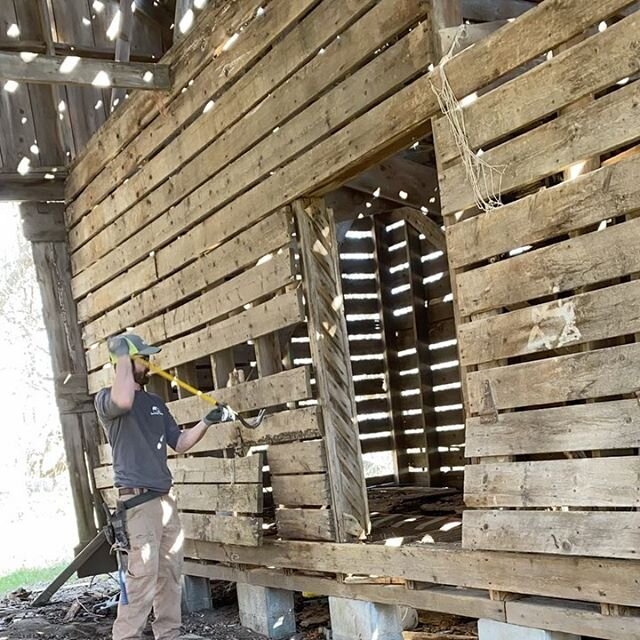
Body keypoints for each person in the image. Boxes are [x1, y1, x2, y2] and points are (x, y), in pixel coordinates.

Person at [95, 333, 229, 640]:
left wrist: (207, 421)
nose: (150, 363)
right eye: (144, 358)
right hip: (138, 505)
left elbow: (180, 443)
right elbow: (124, 398)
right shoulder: (107, 400)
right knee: (142, 577)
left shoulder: (155, 404)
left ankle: (170, 634)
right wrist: (124, 359)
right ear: (125, 362)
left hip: (165, 502)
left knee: (170, 573)